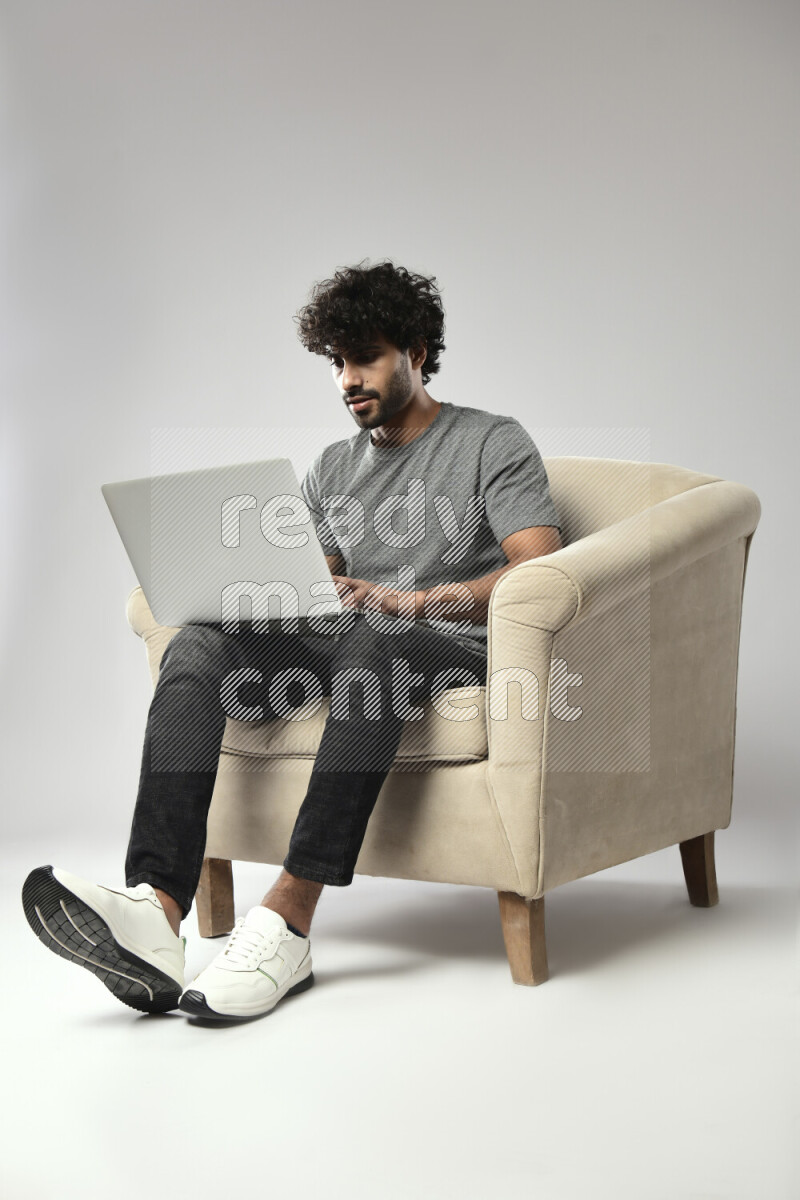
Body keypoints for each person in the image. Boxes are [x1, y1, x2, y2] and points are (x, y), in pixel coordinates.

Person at [22, 261, 562, 1021]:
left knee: (372, 643)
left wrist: (404, 601)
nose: (348, 379)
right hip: (352, 639)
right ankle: (158, 908)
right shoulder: (332, 468)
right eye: (337, 362)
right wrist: (249, 594)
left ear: (415, 349)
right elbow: (311, 585)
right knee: (197, 644)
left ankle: (287, 919)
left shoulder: (490, 442)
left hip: (442, 643)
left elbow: (536, 575)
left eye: (366, 356)